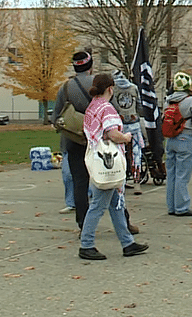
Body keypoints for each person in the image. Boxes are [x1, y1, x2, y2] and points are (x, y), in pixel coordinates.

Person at [78, 73, 149, 260]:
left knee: (116, 204)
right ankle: (86, 244)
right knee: (99, 205)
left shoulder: (92, 107)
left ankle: (127, 243)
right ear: (110, 88)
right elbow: (112, 133)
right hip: (109, 162)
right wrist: (125, 137)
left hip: (96, 158)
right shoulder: (107, 108)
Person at [52, 52, 96, 230]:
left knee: (79, 182)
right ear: (90, 65)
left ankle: (83, 223)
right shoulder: (99, 83)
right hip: (97, 140)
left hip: (74, 140)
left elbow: (56, 117)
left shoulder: (65, 87)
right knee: (109, 182)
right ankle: (122, 221)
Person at [164, 72, 192, 217]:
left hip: (171, 139)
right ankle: (182, 207)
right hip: (186, 138)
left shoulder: (168, 100)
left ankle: (171, 206)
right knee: (182, 175)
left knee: (172, 174)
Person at [110, 70, 146, 195]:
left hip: (119, 126)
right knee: (136, 154)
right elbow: (139, 106)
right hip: (134, 124)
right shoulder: (133, 88)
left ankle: (121, 181)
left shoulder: (112, 90)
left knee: (119, 154)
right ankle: (137, 183)